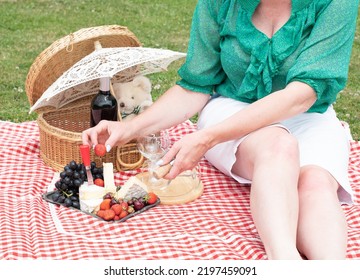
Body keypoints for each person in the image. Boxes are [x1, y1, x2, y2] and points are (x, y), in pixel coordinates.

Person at [82, 0, 359, 260]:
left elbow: (303, 94)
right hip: (231, 109)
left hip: (308, 115)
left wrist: (206, 139)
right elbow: (195, 86)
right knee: (278, 146)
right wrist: (129, 128)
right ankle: (284, 262)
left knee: (316, 184)